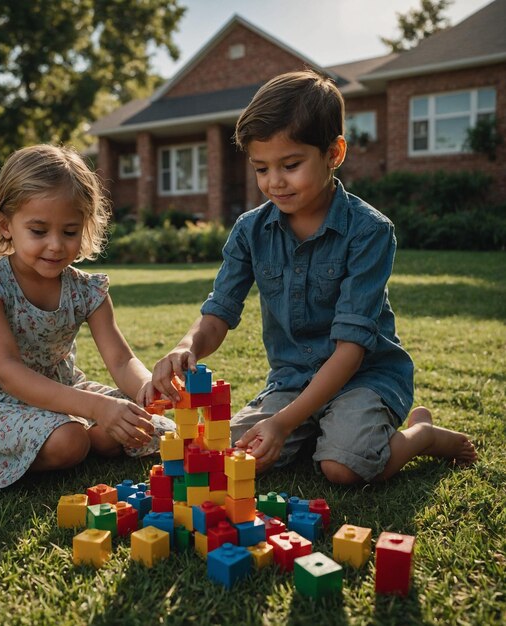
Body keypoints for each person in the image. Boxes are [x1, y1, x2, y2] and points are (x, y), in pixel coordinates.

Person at [152, 70, 477, 483]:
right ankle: (314, 429)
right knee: (227, 454)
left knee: (343, 467)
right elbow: (219, 312)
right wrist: (186, 346)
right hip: (292, 381)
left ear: (334, 153)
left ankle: (423, 435)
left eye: (290, 165)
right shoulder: (250, 230)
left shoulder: (369, 231)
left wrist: (283, 423)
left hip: (365, 379)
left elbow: (351, 350)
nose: (274, 182)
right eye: (261, 168)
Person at [0, 144, 174, 488]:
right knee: (70, 441)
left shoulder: (88, 290)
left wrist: (148, 392)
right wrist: (98, 409)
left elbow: (121, 361)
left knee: (152, 429)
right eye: (39, 230)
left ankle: (84, 434)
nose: (56, 245)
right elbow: (10, 373)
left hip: (61, 392)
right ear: (5, 225)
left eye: (70, 232)